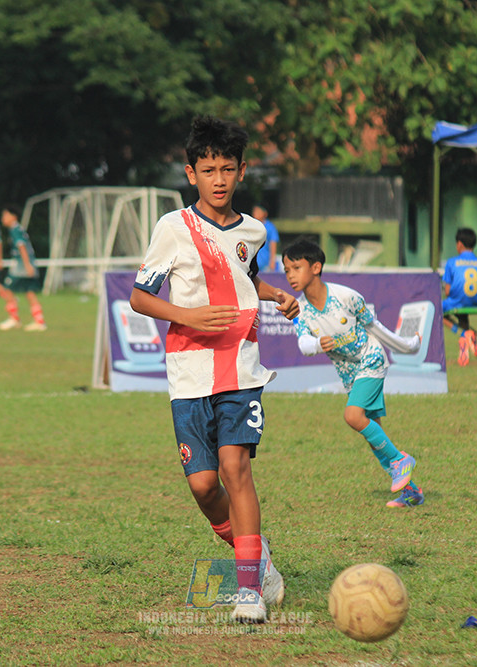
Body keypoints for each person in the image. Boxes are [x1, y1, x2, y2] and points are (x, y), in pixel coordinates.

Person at [128, 116, 298, 623]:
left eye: (228, 169)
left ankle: (249, 590)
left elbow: (244, 276)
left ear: (242, 172)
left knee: (235, 468)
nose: (219, 179)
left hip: (243, 370)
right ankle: (259, 555)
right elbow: (140, 296)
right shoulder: (172, 228)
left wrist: (275, 296)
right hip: (188, 373)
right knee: (204, 486)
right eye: (208, 170)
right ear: (191, 173)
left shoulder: (254, 231)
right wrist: (188, 315)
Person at [283, 237, 424, 508]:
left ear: (316, 267)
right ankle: (412, 492)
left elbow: (378, 330)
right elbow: (303, 343)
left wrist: (409, 345)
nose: (291, 275)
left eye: (296, 267)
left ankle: (401, 461)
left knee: (353, 415)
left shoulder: (347, 297)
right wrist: (316, 344)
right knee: (374, 436)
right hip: (349, 373)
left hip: (371, 359)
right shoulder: (300, 309)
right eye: (287, 270)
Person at [441, 227, 477, 366]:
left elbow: (449, 291)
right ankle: (467, 340)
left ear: (460, 244)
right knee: (463, 313)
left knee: (436, 309)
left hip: (457, 301)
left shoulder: (451, 262)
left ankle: (463, 334)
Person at [0, 204, 47, 332]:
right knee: (30, 292)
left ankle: (14, 318)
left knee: (7, 289)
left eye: (5, 215)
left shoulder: (15, 230)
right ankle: (39, 321)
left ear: (13, 216)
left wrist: (27, 265)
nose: (3, 218)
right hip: (27, 264)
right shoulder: (18, 229)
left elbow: (22, 247)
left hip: (21, 266)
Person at [252, 204, 280, 272]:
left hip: (265, 263)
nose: (255, 214)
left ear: (265, 213)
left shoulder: (270, 227)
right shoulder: (251, 226)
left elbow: (273, 244)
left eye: (258, 212)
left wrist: (272, 261)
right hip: (252, 262)